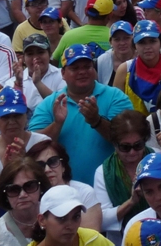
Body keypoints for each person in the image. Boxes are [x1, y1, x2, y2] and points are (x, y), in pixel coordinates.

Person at [28, 44, 134, 184]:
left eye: (87, 66)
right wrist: (57, 124)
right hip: (65, 191)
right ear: (63, 73)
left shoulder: (116, 97)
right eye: (75, 68)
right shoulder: (49, 104)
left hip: (112, 186)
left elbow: (128, 140)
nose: (82, 72)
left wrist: (96, 121)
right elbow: (34, 148)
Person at [0, 88, 51, 202]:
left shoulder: (43, 143)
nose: (11, 122)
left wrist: (25, 162)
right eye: (5, 117)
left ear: (26, 116)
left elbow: (51, 187)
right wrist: (8, 172)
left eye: (17, 115)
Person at [92, 110, 153, 242]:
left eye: (138, 145)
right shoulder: (103, 172)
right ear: (114, 144)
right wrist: (131, 202)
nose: (132, 152)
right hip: (123, 244)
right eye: (125, 147)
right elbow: (101, 220)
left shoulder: (159, 159)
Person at [28, 140, 103, 231]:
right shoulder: (30, 197)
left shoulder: (84, 193)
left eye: (53, 162)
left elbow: (92, 237)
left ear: (63, 166)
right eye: (40, 165)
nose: (47, 169)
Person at [114, 20, 161, 114]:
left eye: (152, 41)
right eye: (142, 42)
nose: (147, 47)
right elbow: (116, 106)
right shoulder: (124, 69)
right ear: (134, 46)